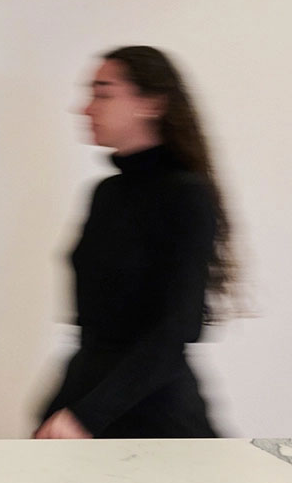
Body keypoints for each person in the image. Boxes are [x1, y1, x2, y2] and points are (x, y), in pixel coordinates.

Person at [34, 46, 238, 439]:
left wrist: (86, 415)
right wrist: (60, 408)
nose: (86, 108)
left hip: (156, 418)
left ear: (152, 104)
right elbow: (96, 333)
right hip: (91, 401)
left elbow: (175, 329)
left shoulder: (186, 195)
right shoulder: (107, 193)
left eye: (103, 93)